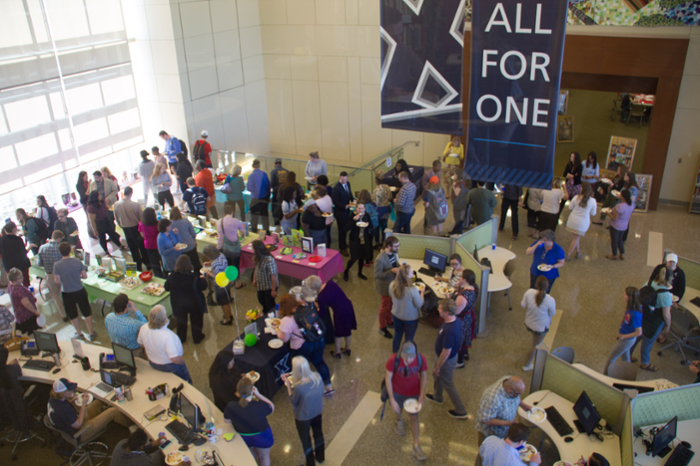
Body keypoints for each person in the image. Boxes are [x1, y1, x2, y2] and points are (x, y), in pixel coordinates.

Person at [276, 294, 334, 395]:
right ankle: (329, 387)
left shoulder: (286, 320)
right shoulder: (304, 308)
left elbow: (284, 338)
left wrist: (277, 330)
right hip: (317, 340)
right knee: (319, 362)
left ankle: (306, 390)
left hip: (302, 347)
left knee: (303, 367)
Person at [384, 341, 428, 461]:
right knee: (398, 409)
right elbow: (388, 378)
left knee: (414, 417)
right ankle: (399, 419)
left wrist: (421, 394)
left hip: (413, 392)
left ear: (415, 355)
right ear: (401, 354)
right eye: (405, 358)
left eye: (410, 358)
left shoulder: (420, 359)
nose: (408, 361)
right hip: (397, 392)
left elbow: (423, 375)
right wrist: (392, 399)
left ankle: (416, 446)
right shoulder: (394, 360)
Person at [47, 378, 131, 438]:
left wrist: (72, 404)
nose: (73, 390)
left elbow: (65, 414)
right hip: (80, 432)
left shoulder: (55, 398)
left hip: (74, 418)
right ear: (63, 392)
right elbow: (78, 425)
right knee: (113, 411)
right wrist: (83, 404)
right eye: (70, 390)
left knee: (100, 401)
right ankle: (132, 426)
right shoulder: (63, 409)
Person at [425, 299, 467, 418]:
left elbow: (446, 352)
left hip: (445, 361)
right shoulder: (455, 320)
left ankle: (460, 410)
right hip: (444, 358)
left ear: (446, 313)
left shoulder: (449, 330)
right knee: (437, 377)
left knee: (448, 384)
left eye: (440, 309)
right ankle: (437, 396)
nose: (437, 309)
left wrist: (438, 366)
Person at [281, 356, 325, 466]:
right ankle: (320, 457)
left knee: (306, 440)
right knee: (318, 434)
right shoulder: (317, 376)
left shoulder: (299, 386)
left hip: (303, 417)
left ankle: (310, 463)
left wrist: (288, 385)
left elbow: (293, 401)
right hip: (317, 411)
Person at [475, 376, 531, 457]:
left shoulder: (509, 380)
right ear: (509, 389)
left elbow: (516, 398)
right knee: (486, 454)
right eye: (518, 394)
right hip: (491, 433)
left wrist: (524, 405)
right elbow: (485, 420)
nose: (519, 396)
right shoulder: (492, 398)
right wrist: (508, 423)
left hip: (504, 430)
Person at [224, 378, 275, 466]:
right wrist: (258, 395)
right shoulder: (261, 406)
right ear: (252, 390)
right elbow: (271, 407)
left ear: (238, 393)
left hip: (244, 437)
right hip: (262, 436)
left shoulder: (231, 406)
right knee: (264, 457)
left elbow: (227, 421)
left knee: (250, 455)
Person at [630, 267, 673, 372]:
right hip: (654, 321)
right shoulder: (666, 295)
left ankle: (628, 355)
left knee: (636, 337)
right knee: (647, 342)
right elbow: (666, 314)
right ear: (669, 279)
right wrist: (668, 325)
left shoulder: (648, 283)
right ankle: (645, 363)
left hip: (642, 316)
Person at [303, 275, 356, 358]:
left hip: (340, 312)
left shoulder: (321, 297)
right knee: (347, 330)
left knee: (338, 333)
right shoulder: (330, 283)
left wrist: (317, 306)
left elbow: (321, 313)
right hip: (348, 306)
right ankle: (347, 349)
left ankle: (337, 352)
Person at [137, 305, 192, 383]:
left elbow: (140, 343)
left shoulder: (143, 328)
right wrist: (182, 361)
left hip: (152, 362)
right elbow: (174, 358)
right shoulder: (168, 335)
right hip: (170, 366)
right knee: (184, 382)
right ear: (163, 319)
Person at [53, 241, 95, 340]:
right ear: (70, 250)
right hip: (79, 290)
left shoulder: (57, 265)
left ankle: (79, 333)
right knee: (86, 312)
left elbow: (57, 281)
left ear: (60, 252)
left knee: (72, 314)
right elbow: (84, 276)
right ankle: (91, 333)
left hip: (67, 293)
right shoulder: (77, 261)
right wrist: (77, 276)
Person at [164, 255, 207, 344]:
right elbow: (203, 286)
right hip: (194, 303)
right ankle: (197, 337)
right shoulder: (194, 276)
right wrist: (203, 279)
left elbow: (166, 287)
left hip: (179, 304)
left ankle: (181, 338)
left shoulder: (172, 277)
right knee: (196, 321)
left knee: (181, 322)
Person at [603, 287, 642, 375]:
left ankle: (605, 376)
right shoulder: (631, 307)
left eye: (625, 294)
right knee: (625, 358)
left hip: (627, 340)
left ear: (630, 297)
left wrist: (624, 336)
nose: (623, 295)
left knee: (611, 358)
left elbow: (639, 332)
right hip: (625, 336)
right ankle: (628, 374)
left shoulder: (635, 313)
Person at [521, 276, 556, 371]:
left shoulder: (529, 292)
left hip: (529, 323)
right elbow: (552, 313)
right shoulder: (549, 299)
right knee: (535, 345)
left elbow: (523, 305)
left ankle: (529, 358)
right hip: (540, 328)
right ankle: (526, 365)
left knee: (534, 342)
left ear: (536, 284)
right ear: (547, 286)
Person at [389, 264, 424, 353]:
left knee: (397, 335)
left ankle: (395, 354)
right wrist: (422, 293)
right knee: (409, 339)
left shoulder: (392, 285)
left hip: (396, 315)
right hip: (410, 318)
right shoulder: (412, 290)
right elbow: (419, 304)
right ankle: (407, 356)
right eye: (411, 272)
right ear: (406, 276)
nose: (413, 272)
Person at [36, 230, 69, 322]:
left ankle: (63, 315)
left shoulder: (42, 248)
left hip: (50, 275)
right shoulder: (60, 248)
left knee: (55, 295)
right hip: (62, 274)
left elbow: (39, 263)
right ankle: (70, 310)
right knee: (64, 293)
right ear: (58, 238)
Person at [114, 186, 149, 271]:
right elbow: (141, 218)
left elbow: (116, 218)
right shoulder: (135, 205)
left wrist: (121, 225)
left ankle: (138, 267)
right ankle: (148, 264)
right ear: (131, 194)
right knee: (141, 246)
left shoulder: (116, 204)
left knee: (133, 248)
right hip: (136, 227)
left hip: (126, 228)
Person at [201, 245, 237, 325]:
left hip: (220, 286)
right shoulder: (221, 255)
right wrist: (209, 263)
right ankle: (229, 315)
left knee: (223, 303)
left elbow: (216, 277)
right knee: (227, 300)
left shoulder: (216, 265)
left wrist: (208, 273)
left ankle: (227, 319)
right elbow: (217, 262)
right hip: (226, 282)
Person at [215, 204, 246, 289]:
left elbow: (220, 236)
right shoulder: (236, 221)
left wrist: (219, 248)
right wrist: (241, 235)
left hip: (224, 248)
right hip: (235, 249)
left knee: (227, 265)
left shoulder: (219, 221)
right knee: (235, 265)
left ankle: (229, 282)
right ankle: (237, 283)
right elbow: (243, 232)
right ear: (232, 212)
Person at [453, 269, 479, 367]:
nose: (459, 278)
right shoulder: (474, 287)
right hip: (469, 317)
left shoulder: (463, 297)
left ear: (465, 280)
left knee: (461, 341)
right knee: (465, 339)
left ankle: (459, 362)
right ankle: (465, 354)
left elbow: (456, 311)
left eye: (461, 277)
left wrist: (449, 298)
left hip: (462, 320)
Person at [375, 236, 400, 338]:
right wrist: (391, 271)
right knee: (384, 307)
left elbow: (395, 263)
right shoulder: (380, 259)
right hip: (385, 287)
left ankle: (389, 321)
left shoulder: (393, 253)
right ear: (389, 246)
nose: (398, 247)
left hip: (393, 284)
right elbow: (377, 275)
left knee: (391, 305)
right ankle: (382, 327)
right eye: (396, 246)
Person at [87, 190, 124, 256]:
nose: (101, 195)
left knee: (112, 234)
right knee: (102, 238)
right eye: (99, 195)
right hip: (99, 224)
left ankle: (120, 246)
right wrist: (94, 230)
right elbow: (92, 220)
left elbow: (107, 207)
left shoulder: (102, 201)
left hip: (106, 221)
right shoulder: (91, 207)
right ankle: (106, 251)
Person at [565, 182, 597, 259]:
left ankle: (578, 252)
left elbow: (570, 207)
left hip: (572, 220)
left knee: (576, 237)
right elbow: (593, 213)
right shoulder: (592, 201)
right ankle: (568, 255)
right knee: (576, 238)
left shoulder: (576, 197)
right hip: (582, 223)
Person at [7, 268, 41, 335]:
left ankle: (30, 344)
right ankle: (32, 344)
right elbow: (26, 303)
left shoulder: (10, 286)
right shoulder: (20, 290)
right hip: (27, 315)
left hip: (19, 315)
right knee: (32, 333)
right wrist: (36, 312)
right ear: (15, 280)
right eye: (20, 277)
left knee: (26, 334)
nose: (22, 277)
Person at [343, 202, 372, 281]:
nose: (361, 210)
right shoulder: (352, 215)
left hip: (363, 239)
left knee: (362, 257)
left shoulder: (366, 215)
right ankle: (346, 271)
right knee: (353, 258)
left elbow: (371, 226)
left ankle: (360, 273)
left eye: (362, 208)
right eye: (359, 208)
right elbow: (346, 228)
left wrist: (368, 225)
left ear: (364, 209)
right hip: (354, 239)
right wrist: (353, 220)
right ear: (356, 208)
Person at [169, 206, 201, 272]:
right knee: (195, 263)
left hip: (180, 248)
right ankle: (199, 277)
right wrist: (193, 241)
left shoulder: (170, 224)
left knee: (183, 266)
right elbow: (193, 233)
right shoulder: (186, 220)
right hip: (191, 245)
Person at [606, 189, 635, 261]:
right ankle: (622, 254)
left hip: (616, 226)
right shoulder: (631, 205)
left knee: (614, 240)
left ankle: (614, 255)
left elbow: (614, 218)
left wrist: (608, 213)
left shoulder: (619, 206)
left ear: (623, 196)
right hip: (624, 225)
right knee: (620, 240)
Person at [0, 222, 31, 287]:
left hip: (8, 265)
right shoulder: (18, 240)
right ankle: (26, 291)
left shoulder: (1, 239)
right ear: (14, 229)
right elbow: (23, 253)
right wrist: (29, 247)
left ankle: (15, 294)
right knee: (25, 281)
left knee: (13, 282)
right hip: (21, 264)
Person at [332, 171, 354, 256]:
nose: (344, 181)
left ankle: (344, 244)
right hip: (340, 212)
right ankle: (342, 248)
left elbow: (349, 192)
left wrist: (353, 200)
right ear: (339, 178)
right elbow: (335, 202)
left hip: (346, 211)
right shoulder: (336, 188)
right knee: (342, 230)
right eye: (342, 180)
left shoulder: (348, 183)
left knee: (345, 229)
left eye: (345, 179)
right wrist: (345, 206)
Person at [252, 239, 277, 313]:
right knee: (261, 299)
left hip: (268, 286)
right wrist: (254, 279)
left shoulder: (269, 259)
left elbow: (273, 275)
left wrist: (273, 290)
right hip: (261, 285)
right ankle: (266, 311)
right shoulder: (257, 257)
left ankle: (272, 315)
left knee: (270, 304)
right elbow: (256, 267)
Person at [246, 159, 270, 232]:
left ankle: (254, 232)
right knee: (264, 217)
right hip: (264, 199)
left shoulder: (251, 176)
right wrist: (268, 197)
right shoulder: (264, 174)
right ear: (259, 166)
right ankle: (266, 232)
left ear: (253, 166)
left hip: (255, 200)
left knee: (254, 217)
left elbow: (250, 188)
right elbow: (268, 186)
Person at [138, 208, 163, 278]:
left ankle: (158, 276)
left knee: (154, 262)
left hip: (148, 245)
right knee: (161, 260)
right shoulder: (157, 224)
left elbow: (141, 233)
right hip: (158, 244)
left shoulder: (141, 224)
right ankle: (165, 274)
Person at [372, 171, 393, 246]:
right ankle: (384, 242)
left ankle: (377, 243)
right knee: (384, 226)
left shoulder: (377, 190)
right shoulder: (387, 187)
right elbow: (390, 197)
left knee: (377, 227)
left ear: (376, 180)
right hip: (387, 209)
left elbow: (375, 203)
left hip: (379, 210)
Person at [76, 171, 96, 238]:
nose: (87, 178)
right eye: (85, 176)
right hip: (85, 202)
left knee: (93, 216)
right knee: (89, 217)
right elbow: (86, 193)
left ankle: (95, 231)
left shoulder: (87, 183)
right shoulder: (79, 185)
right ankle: (91, 233)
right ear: (82, 177)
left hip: (90, 201)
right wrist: (90, 184)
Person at [269, 158, 288, 224]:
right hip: (285, 192)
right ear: (281, 163)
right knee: (284, 206)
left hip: (276, 192)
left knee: (275, 207)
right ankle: (284, 221)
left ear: (274, 164)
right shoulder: (287, 171)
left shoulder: (273, 172)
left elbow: (271, 183)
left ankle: (277, 223)